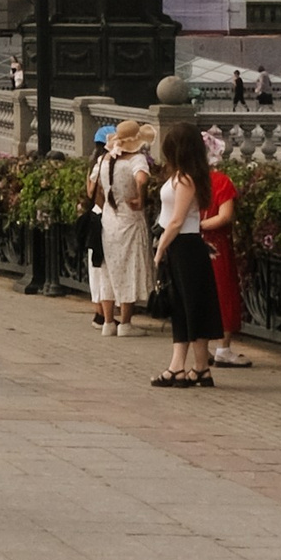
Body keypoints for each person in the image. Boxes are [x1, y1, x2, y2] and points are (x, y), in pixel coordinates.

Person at [151, 119, 221, 388]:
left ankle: (189, 367)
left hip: (185, 245)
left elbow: (177, 220)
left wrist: (161, 248)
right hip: (181, 245)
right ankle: (189, 367)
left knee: (191, 306)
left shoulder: (186, 179)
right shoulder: (181, 175)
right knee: (183, 306)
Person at [87, 121, 155, 338]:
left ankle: (108, 322)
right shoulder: (136, 160)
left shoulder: (104, 159)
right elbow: (141, 179)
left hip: (109, 219)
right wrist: (140, 199)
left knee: (108, 269)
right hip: (130, 219)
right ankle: (125, 322)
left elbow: (93, 188)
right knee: (128, 268)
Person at [198, 142, 251, 368]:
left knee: (199, 295)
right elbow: (225, 216)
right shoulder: (221, 181)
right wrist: (203, 225)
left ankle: (201, 349)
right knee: (224, 292)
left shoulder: (188, 181)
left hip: (191, 243)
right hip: (216, 244)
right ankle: (223, 348)